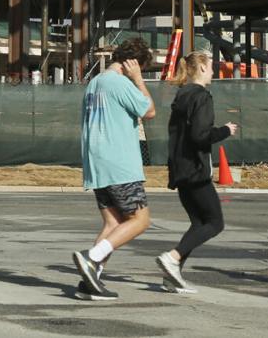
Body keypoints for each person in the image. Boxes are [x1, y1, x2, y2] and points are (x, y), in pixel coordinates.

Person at [71, 38, 156, 301]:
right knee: (140, 220)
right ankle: (91, 257)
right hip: (120, 162)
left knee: (113, 222)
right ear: (134, 63)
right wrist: (139, 80)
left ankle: (89, 282)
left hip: (96, 162)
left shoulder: (95, 82)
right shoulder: (120, 83)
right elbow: (149, 111)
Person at [158, 51, 238, 294]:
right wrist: (224, 130)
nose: (214, 71)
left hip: (180, 168)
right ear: (201, 67)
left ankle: (172, 275)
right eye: (212, 66)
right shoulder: (202, 96)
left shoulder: (182, 95)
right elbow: (200, 136)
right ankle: (173, 257)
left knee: (198, 223)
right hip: (195, 169)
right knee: (215, 223)